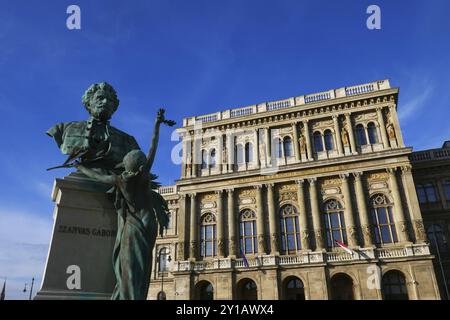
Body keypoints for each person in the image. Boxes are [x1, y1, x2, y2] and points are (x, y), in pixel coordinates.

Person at [75, 108, 175, 300]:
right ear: (140, 165)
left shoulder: (121, 180)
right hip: (149, 224)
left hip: (134, 226)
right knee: (144, 265)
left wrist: (80, 166)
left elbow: (99, 176)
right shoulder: (144, 176)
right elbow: (153, 147)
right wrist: (157, 124)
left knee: (129, 269)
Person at [47, 82, 140, 173]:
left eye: (110, 100)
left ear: (114, 107)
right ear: (88, 103)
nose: (106, 102)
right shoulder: (63, 128)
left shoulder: (128, 141)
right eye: (100, 98)